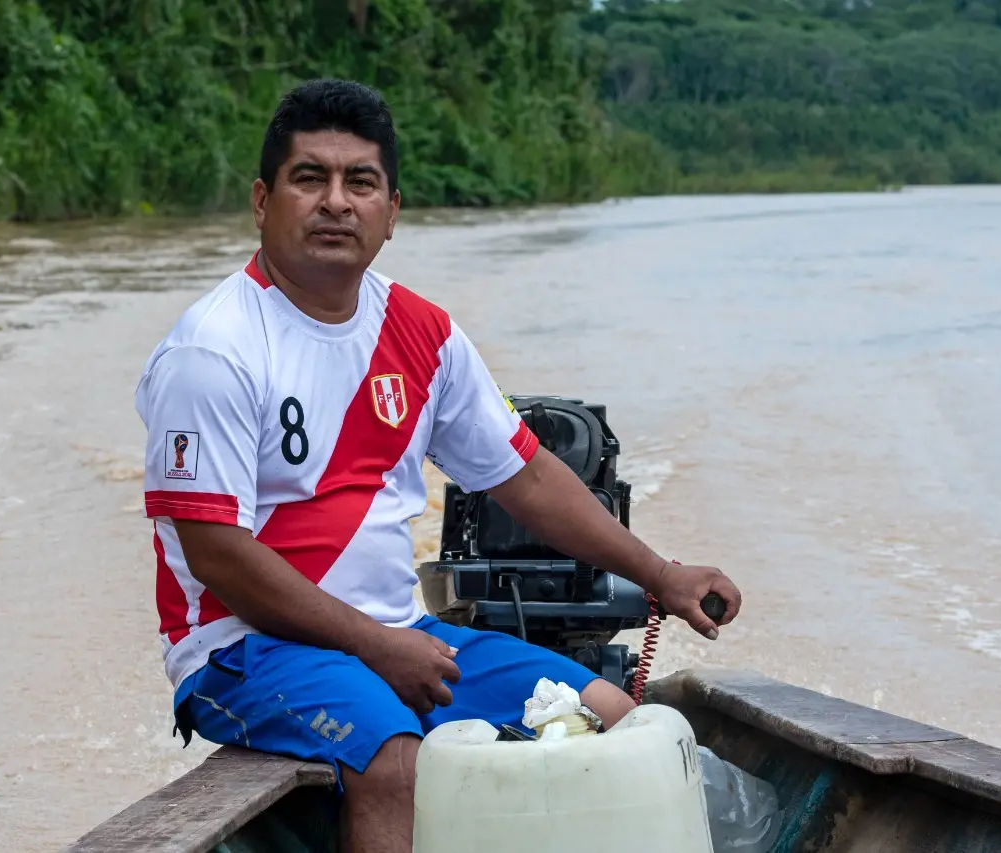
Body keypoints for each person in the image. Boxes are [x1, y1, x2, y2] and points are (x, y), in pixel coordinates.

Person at [134, 78, 742, 853]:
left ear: (391, 212)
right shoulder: (213, 350)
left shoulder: (422, 333)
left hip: (399, 632)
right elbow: (215, 554)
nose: (336, 202)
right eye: (309, 178)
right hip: (239, 647)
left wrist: (662, 573)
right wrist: (377, 647)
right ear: (262, 201)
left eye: (361, 182)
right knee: (396, 761)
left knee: (612, 722)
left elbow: (523, 477)